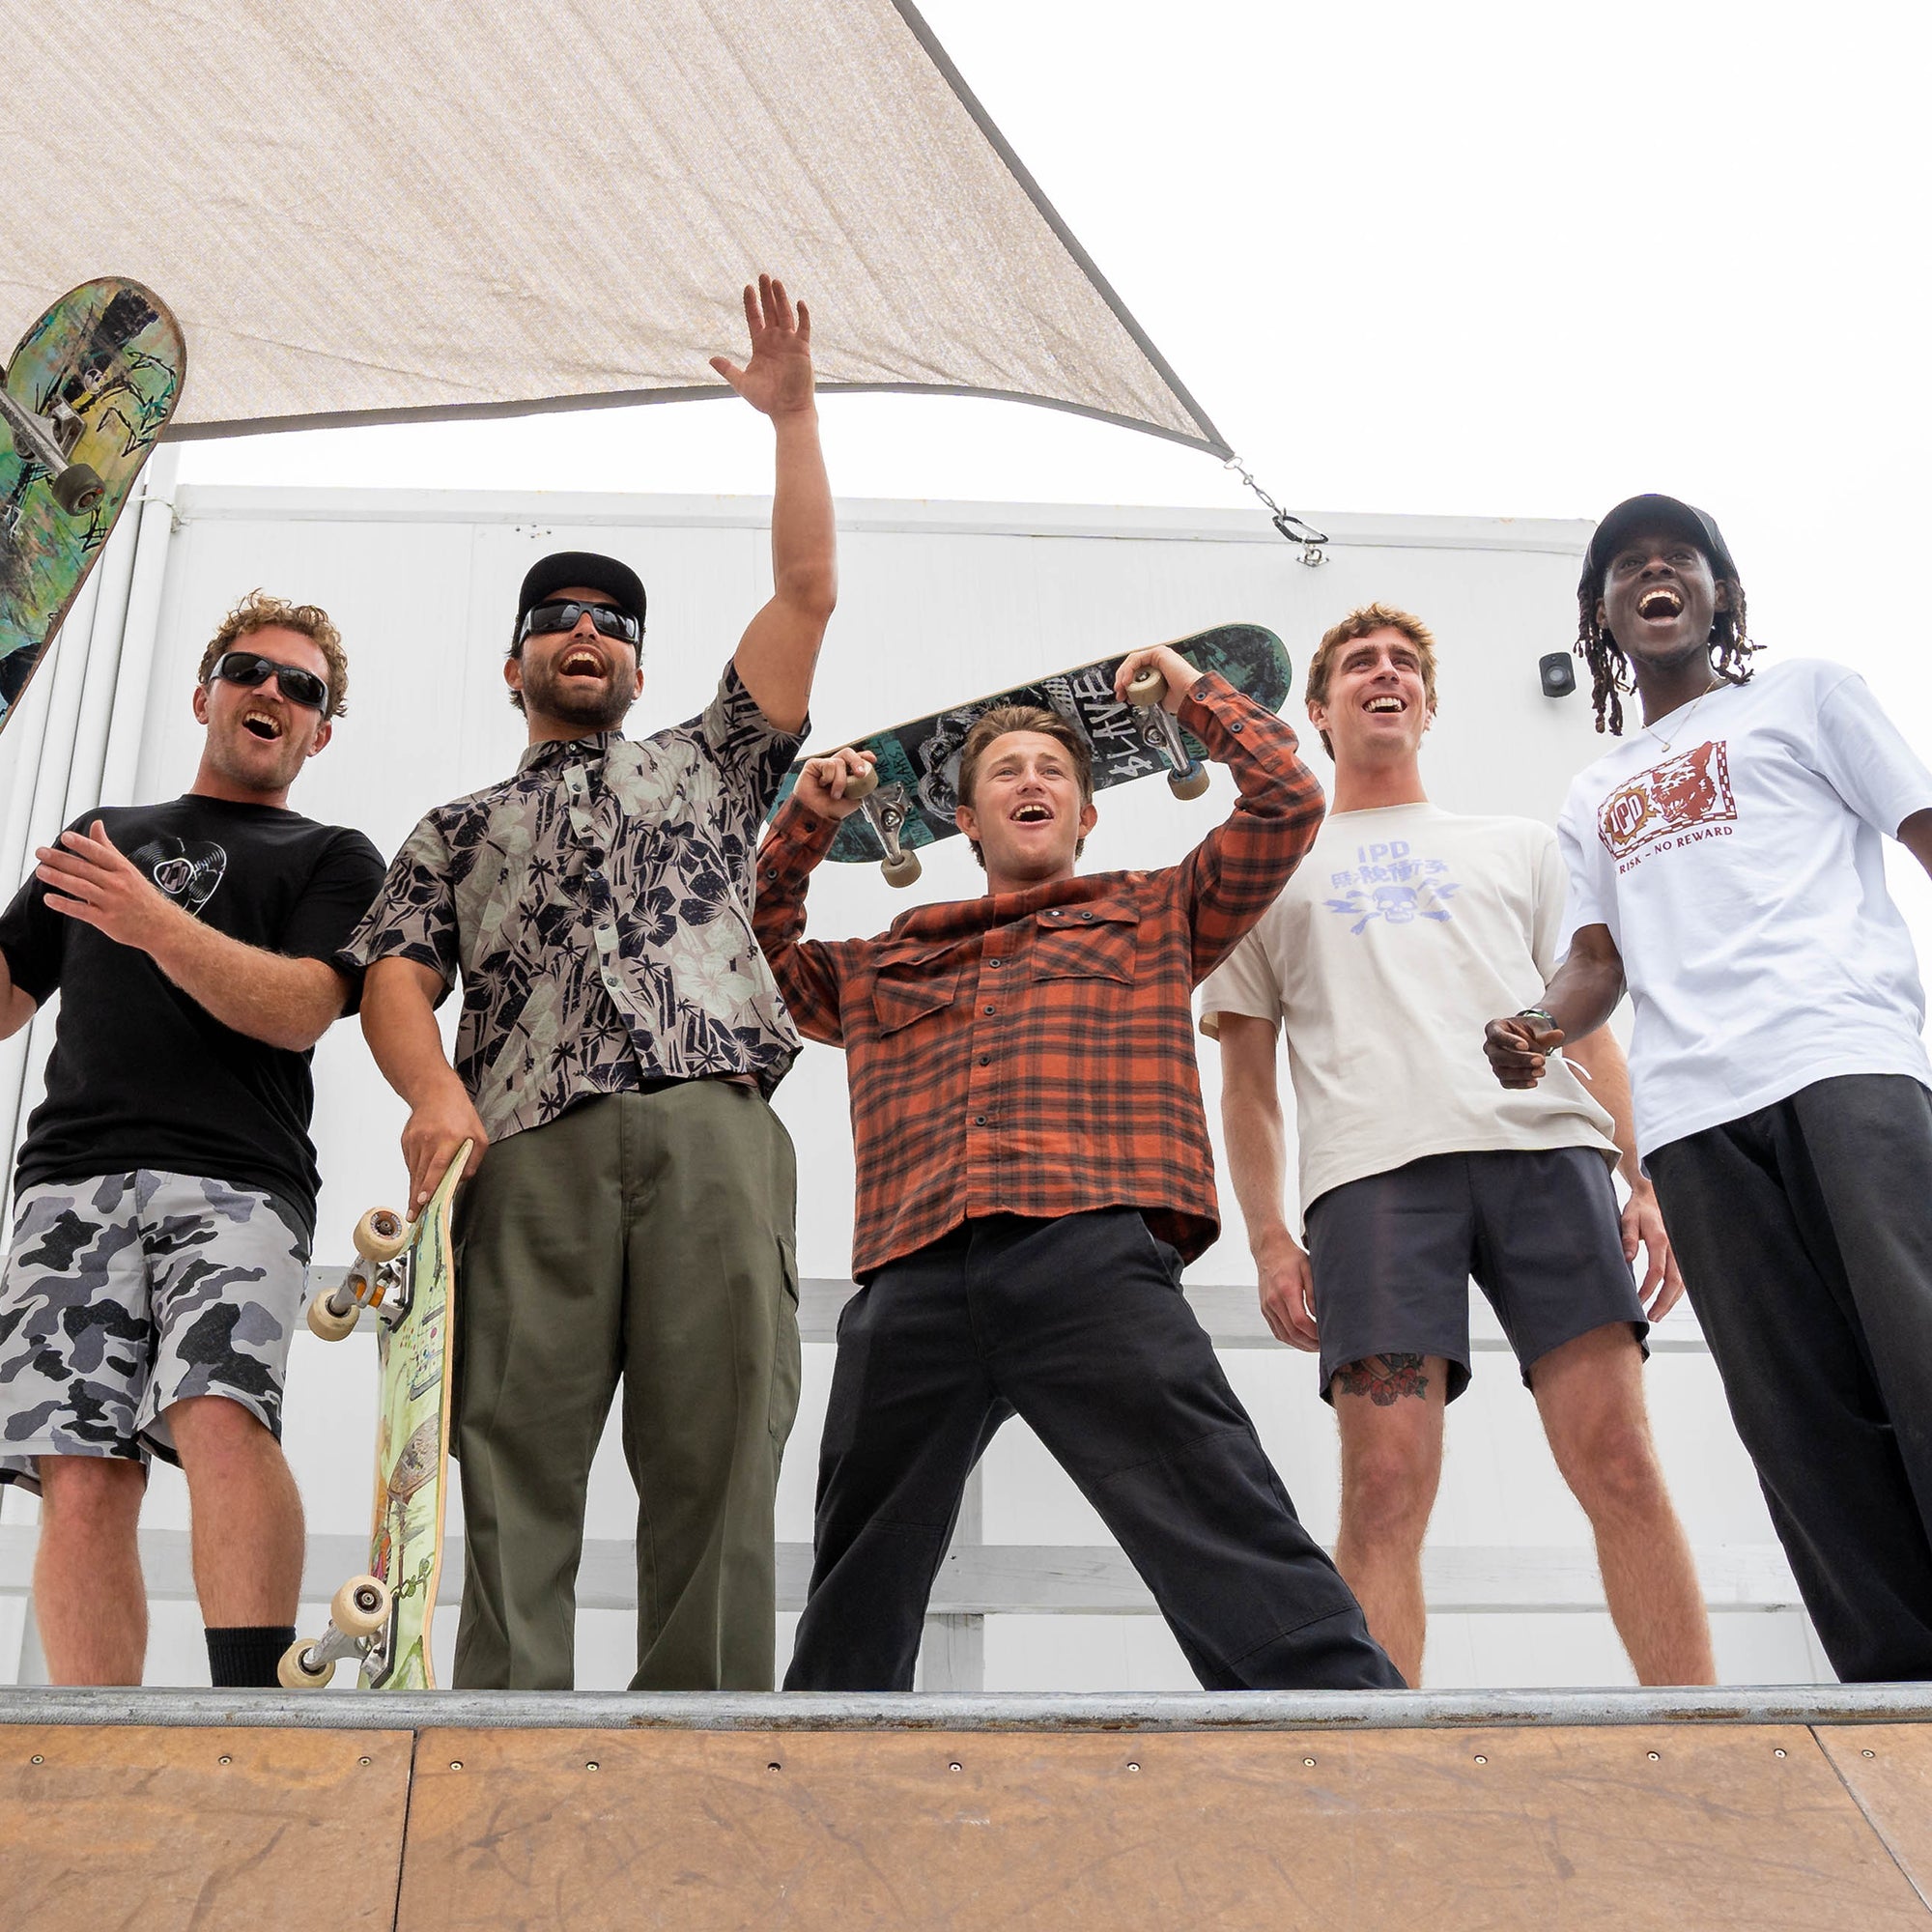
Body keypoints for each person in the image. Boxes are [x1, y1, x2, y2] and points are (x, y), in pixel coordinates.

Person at [345, 276, 834, 1691]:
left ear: (635, 661)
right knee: (509, 1450)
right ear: (516, 662)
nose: (588, 631)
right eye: (559, 616)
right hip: (528, 1140)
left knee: (724, 1441)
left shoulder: (711, 760)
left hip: (708, 1123)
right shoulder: (454, 826)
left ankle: (705, 1752)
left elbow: (807, 590)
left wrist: (793, 420)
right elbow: (392, 969)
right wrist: (435, 1098)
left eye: (613, 621)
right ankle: (505, 1757)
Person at [754, 645, 1401, 1691]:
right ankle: (828, 1782)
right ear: (964, 821)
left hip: (1087, 1258)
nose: (1030, 783)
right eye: (1004, 771)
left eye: (1053, 772)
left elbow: (1284, 799)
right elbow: (749, 958)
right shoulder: (878, 962)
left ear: (1086, 814)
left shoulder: (1157, 912)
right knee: (857, 1567)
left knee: (1213, 1510)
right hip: (911, 1280)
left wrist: (1191, 694)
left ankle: (1342, 1735)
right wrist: (808, 821)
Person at [1200, 603, 1714, 1690]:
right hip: (1370, 1182)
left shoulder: (1518, 847)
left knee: (1617, 1459)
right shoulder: (1265, 872)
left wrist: (1645, 1174)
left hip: (1545, 1162)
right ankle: (1386, 1770)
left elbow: (1588, 1024)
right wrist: (1265, 1238)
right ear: (1321, 710)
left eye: (1401, 665)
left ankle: (1698, 1736)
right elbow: (1245, 1081)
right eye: (1357, 664)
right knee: (1382, 1486)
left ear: (1425, 706)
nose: (1382, 675)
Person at [1485, 494, 1932, 1682]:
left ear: (1717, 594)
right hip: (1692, 1118)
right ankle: (1895, 1683)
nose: (1651, 574)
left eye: (1674, 559)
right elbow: (1594, 967)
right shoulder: (1593, 792)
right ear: (1601, 617)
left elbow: (1921, 827)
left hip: (1842, 1059)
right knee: (1794, 1412)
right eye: (1624, 568)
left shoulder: (1808, 696)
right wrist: (1530, 1027)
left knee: (1918, 1344)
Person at [0, 592, 384, 1687]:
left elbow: (302, 1006)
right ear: (204, 690)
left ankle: (252, 1709)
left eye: (299, 686)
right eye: (248, 668)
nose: (271, 690)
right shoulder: (99, 837)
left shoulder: (333, 856)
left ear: (319, 731)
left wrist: (145, 915)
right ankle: (92, 1744)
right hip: (66, 1182)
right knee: (78, 1466)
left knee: (216, 1412)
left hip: (237, 1182)